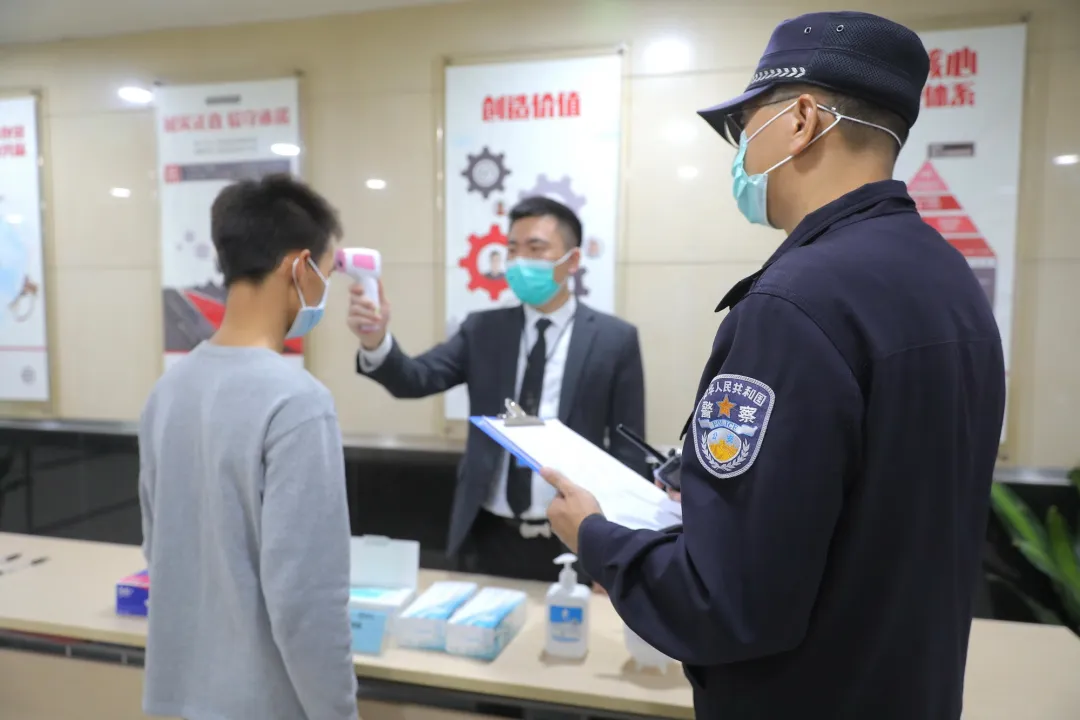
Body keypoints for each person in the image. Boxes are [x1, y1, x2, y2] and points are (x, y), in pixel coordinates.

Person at [540, 12, 1005, 720]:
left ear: (801, 121)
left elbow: (727, 604)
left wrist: (596, 537)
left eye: (743, 127)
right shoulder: (948, 279)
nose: (739, 153)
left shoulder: (794, 303)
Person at [138, 175, 357, 720]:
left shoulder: (168, 390)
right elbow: (306, 600)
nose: (324, 292)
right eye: (326, 275)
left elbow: (156, 549)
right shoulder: (298, 403)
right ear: (299, 268)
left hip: (175, 697)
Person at [349, 196, 648, 582]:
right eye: (512, 249)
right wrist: (375, 340)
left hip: (575, 541)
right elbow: (415, 378)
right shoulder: (483, 329)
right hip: (485, 534)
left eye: (535, 248)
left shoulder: (614, 339)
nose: (520, 261)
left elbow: (629, 450)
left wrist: (620, 554)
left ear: (572, 261)